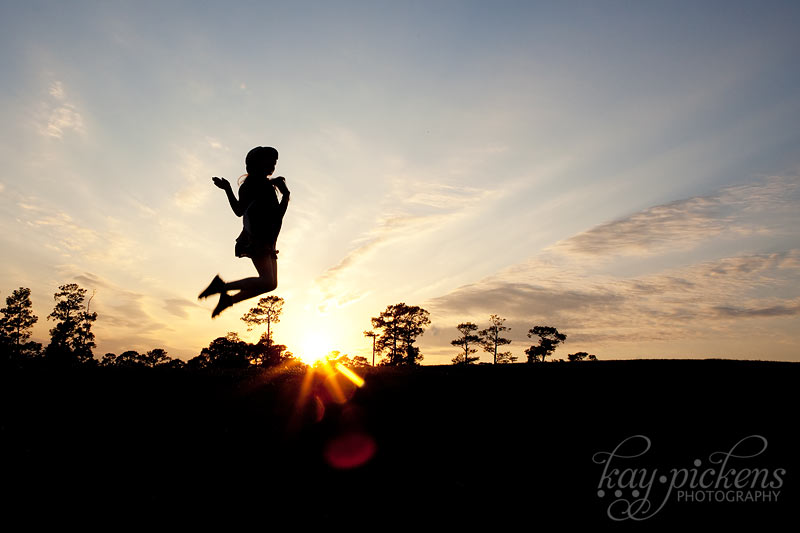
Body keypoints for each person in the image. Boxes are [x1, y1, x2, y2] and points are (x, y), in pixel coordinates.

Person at [198, 146, 290, 317]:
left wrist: (285, 195)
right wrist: (285, 196)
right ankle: (221, 287)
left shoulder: (267, 186)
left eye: (275, 162)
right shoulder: (252, 185)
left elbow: (277, 216)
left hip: (268, 240)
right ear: (257, 163)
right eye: (269, 161)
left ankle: (228, 299)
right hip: (258, 238)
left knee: (271, 284)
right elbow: (239, 210)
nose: (273, 165)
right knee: (267, 281)